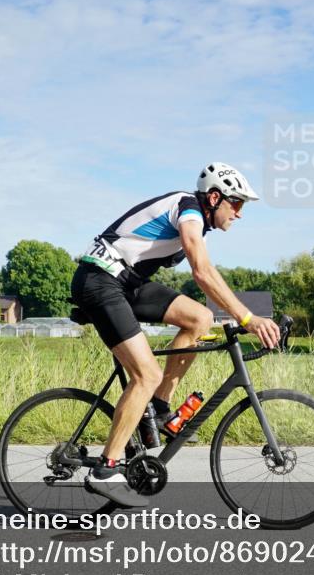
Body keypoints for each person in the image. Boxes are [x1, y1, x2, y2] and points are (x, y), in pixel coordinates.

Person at [71, 163, 282, 507]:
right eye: (237, 204)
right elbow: (202, 271)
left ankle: (159, 407)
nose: (239, 214)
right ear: (215, 197)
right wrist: (247, 318)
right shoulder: (189, 209)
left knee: (200, 318)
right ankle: (105, 470)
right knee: (147, 374)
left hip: (126, 283)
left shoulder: (198, 219)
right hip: (100, 281)